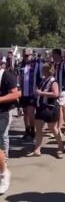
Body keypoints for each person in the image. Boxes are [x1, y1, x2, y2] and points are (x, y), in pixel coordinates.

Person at [28, 62, 63, 158]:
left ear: (47, 70)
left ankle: (60, 146)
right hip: (41, 107)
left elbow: (56, 94)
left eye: (43, 69)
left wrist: (41, 93)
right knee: (39, 129)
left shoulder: (53, 81)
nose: (42, 71)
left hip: (50, 108)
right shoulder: (44, 80)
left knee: (53, 129)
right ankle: (37, 149)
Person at [0, 55, 20, 194]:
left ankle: (4, 171)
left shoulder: (6, 75)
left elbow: (16, 94)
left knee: (2, 138)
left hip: (3, 112)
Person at [19, 48, 37, 141]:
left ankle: (33, 132)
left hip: (31, 93)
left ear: (31, 55)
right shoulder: (21, 64)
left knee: (31, 113)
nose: (25, 57)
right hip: (23, 93)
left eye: (27, 55)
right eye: (24, 55)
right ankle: (27, 131)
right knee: (25, 113)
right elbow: (20, 78)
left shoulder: (35, 65)